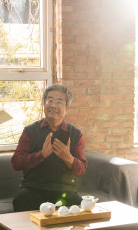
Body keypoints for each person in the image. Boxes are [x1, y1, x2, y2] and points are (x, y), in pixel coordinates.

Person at [11, 83, 87, 211]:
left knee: (80, 206)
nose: (53, 105)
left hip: (64, 190)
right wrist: (41, 155)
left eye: (59, 102)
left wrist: (68, 158)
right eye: (49, 100)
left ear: (67, 107)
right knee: (20, 200)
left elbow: (82, 169)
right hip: (33, 189)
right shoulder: (30, 131)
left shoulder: (75, 134)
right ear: (44, 104)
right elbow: (16, 163)